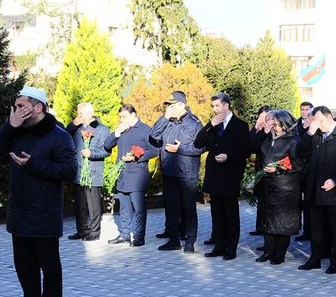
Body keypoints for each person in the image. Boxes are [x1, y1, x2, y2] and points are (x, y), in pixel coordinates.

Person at [0, 86, 77, 297]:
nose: (17, 111)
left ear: (38, 107)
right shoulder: (15, 132)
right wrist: (9, 125)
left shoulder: (59, 136)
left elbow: (69, 171)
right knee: (24, 268)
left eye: (21, 106)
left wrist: (33, 164)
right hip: (19, 213)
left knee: (49, 269)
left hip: (45, 214)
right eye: (15, 107)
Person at [296, 106, 336, 274]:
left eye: (319, 121)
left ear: (329, 118)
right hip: (315, 189)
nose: (317, 125)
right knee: (316, 228)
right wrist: (308, 134)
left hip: (334, 191)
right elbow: (300, 152)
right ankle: (315, 258)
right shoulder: (316, 135)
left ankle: (335, 261)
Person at [194, 93, 250, 260]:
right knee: (216, 213)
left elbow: (245, 150)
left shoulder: (240, 125)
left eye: (217, 106)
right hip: (214, 175)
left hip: (230, 174)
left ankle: (231, 248)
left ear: (226, 106)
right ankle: (219, 245)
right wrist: (210, 125)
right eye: (213, 106)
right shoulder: (213, 125)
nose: (215, 109)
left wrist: (229, 157)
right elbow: (198, 142)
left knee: (230, 214)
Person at [149, 91, 204, 253]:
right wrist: (165, 117)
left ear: (181, 105)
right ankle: (173, 240)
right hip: (169, 171)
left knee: (188, 208)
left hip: (187, 173)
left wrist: (180, 149)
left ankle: (190, 241)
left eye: (172, 105)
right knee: (171, 208)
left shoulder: (194, 123)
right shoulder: (167, 121)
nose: (169, 108)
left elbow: (201, 148)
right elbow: (154, 135)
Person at [104, 104, 158, 246]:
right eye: (120, 117)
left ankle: (139, 237)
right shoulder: (122, 129)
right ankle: (124, 234)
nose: (122, 119)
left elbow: (154, 150)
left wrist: (137, 156)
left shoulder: (145, 129)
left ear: (133, 115)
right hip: (122, 174)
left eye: (124, 117)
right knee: (124, 207)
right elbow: (107, 145)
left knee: (139, 208)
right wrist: (117, 132)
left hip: (137, 175)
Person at [256, 110, 304, 265]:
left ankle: (279, 254)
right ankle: (268, 251)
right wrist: (263, 131)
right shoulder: (268, 138)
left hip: (285, 187)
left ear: (285, 124)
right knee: (267, 220)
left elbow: (298, 163)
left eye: (277, 124)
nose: (274, 127)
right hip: (268, 185)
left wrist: (277, 169)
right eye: (273, 124)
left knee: (282, 222)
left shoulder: (293, 140)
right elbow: (254, 147)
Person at [65, 103, 111, 242]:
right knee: (79, 205)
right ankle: (81, 230)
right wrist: (73, 124)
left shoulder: (102, 129)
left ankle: (94, 232)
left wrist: (91, 153)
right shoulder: (76, 128)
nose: (79, 116)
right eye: (78, 113)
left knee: (94, 205)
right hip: (78, 171)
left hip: (93, 172)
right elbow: (63, 136)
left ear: (90, 113)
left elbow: (106, 151)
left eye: (81, 114)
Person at [247, 105, 272, 237]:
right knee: (261, 199)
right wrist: (257, 128)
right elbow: (250, 146)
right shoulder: (257, 129)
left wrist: (264, 131)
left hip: (269, 168)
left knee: (267, 200)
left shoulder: (272, 131)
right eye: (260, 117)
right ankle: (260, 226)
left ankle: (267, 228)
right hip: (259, 168)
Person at [296, 101, 314, 241]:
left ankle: (309, 229)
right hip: (298, 168)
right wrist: (303, 126)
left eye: (307, 109)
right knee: (297, 201)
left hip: (309, 169)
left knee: (308, 202)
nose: (305, 112)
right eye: (302, 109)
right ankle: (296, 225)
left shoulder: (315, 125)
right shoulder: (296, 124)